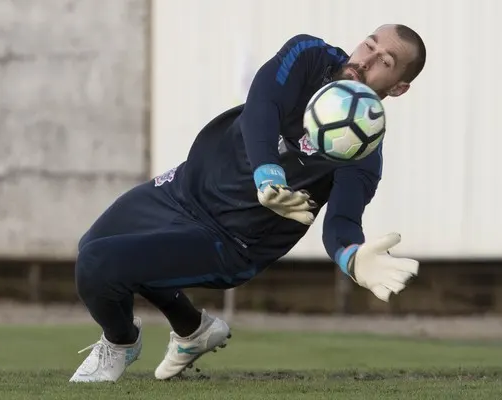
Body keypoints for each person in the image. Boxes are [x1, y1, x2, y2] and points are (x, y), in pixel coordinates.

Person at [69, 23, 426, 383]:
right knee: (91, 246)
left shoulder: (363, 152)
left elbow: (342, 222)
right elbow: (262, 105)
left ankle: (120, 343)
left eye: (386, 61)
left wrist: (352, 256)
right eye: (369, 45)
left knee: (98, 266)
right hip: (183, 189)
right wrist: (267, 173)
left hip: (228, 241)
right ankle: (192, 328)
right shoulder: (309, 55)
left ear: (398, 88)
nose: (367, 61)